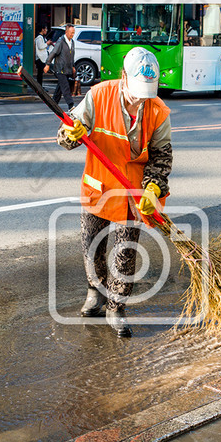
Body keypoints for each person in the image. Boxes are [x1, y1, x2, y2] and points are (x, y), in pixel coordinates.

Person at [57, 46, 172, 337]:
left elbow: (161, 157)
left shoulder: (158, 111)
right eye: (136, 90)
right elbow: (65, 135)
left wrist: (154, 188)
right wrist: (72, 134)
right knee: (92, 245)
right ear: (124, 76)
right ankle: (95, 292)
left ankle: (116, 306)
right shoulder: (98, 95)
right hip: (99, 185)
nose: (139, 99)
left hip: (132, 192)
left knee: (125, 252)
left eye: (147, 92)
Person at [45, 22, 76, 109]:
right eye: (71, 33)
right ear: (66, 32)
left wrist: (73, 66)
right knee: (65, 87)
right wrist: (48, 64)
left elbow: (72, 55)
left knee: (60, 87)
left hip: (68, 69)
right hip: (60, 68)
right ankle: (71, 105)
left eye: (73, 32)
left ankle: (53, 103)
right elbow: (53, 53)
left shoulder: (72, 42)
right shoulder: (61, 42)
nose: (73, 34)